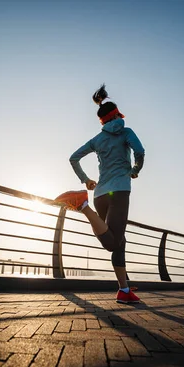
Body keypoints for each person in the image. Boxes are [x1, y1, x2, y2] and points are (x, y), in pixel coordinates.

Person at [55, 84, 145, 303]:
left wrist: (86, 180)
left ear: (102, 120)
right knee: (113, 243)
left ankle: (124, 291)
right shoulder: (126, 132)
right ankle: (83, 206)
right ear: (117, 115)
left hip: (101, 193)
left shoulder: (97, 139)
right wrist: (134, 170)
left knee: (119, 241)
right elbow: (140, 152)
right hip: (120, 191)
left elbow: (73, 158)